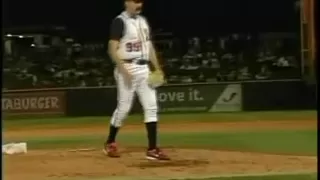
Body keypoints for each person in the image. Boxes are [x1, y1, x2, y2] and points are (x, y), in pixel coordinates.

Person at [103, 0, 170, 160]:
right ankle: (110, 142)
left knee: (151, 107)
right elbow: (112, 48)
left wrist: (157, 68)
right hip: (126, 66)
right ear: (127, 3)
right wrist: (122, 69)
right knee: (124, 109)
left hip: (143, 68)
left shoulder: (143, 21)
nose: (139, 4)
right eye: (135, 1)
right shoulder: (120, 21)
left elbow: (149, 47)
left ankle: (152, 149)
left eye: (141, 1)